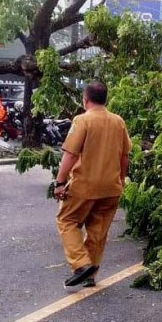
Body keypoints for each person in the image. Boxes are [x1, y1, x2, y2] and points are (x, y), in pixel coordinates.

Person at [54, 81, 131, 288]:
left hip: (84, 186)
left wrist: (60, 182)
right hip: (111, 188)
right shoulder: (118, 121)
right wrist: (120, 180)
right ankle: (90, 274)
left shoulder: (82, 120)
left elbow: (70, 155)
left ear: (85, 99)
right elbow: (125, 157)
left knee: (67, 221)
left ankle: (81, 265)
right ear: (106, 99)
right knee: (98, 232)